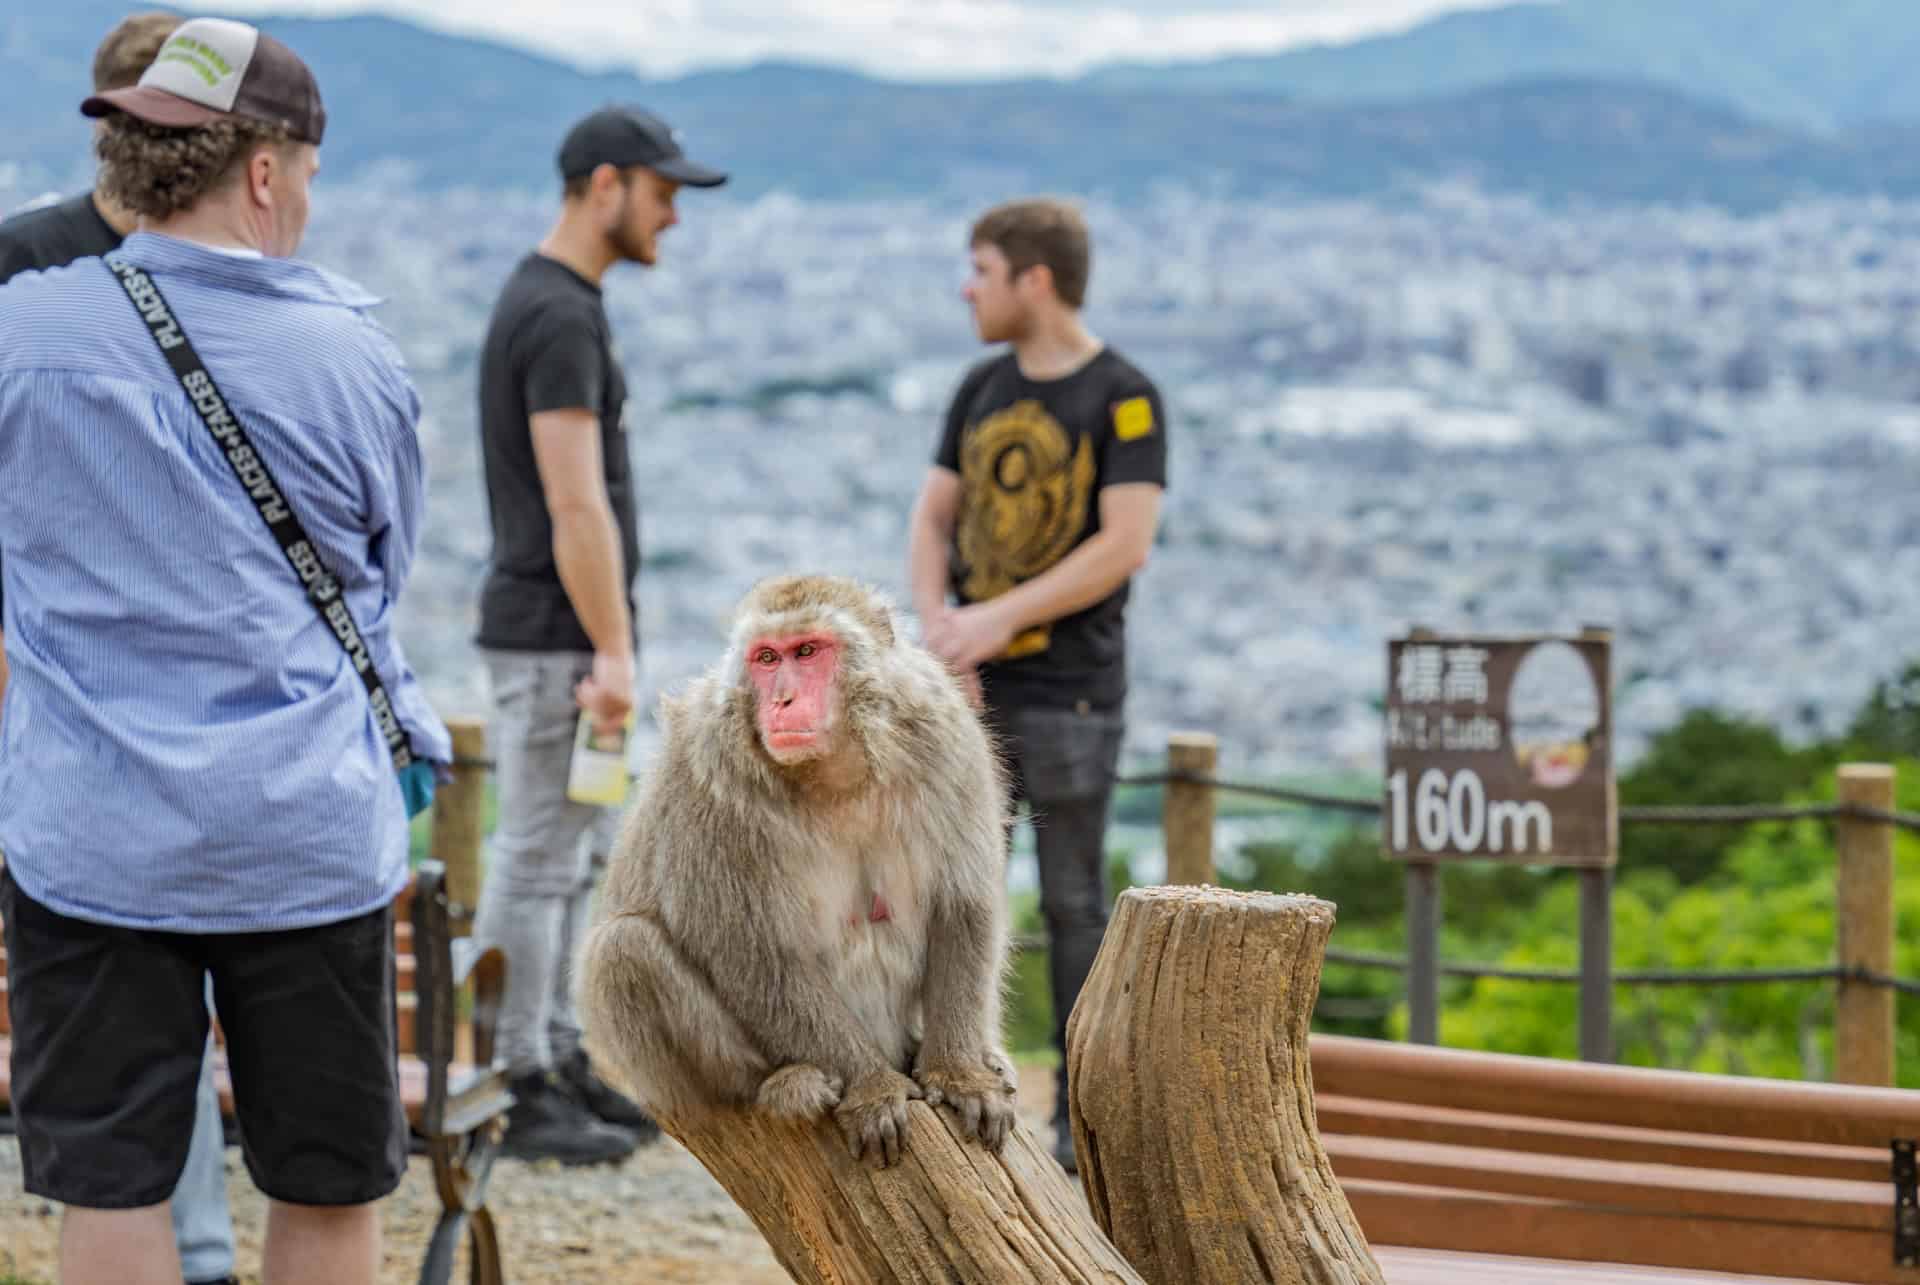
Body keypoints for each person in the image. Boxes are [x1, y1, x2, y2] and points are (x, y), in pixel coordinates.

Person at [0, 18, 448, 1285]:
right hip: (300, 832)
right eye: (307, 172)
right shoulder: (348, 351)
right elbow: (378, 569)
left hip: (90, 834)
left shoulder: (21, 335)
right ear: (264, 172)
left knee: (116, 1190)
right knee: (324, 1185)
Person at [0, 13, 241, 1285]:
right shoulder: (33, 264)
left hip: (126, 704)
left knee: (137, 977)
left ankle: (190, 1245)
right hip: (56, 684)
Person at [469, 104, 726, 1164]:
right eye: (662, 192)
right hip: (554, 635)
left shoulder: (553, 302)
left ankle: (553, 1049)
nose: (671, 214)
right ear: (606, 184)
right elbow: (578, 503)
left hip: (553, 631)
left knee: (566, 858)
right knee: (536, 856)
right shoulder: (561, 315)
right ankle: (511, 1077)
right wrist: (613, 652)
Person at [907, 197, 1168, 1173]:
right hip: (968, 689)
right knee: (948, 892)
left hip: (1070, 690)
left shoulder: (1124, 395)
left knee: (1071, 906)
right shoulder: (980, 387)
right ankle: (946, 1092)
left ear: (1035, 279)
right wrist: (944, 631)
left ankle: (1078, 1128)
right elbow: (933, 516)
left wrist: (997, 619)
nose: (968, 289)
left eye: (981, 270)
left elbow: (1125, 542)